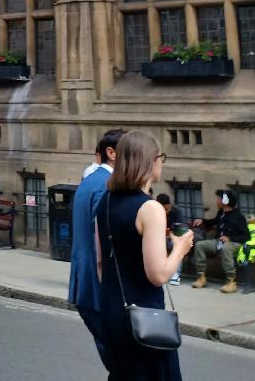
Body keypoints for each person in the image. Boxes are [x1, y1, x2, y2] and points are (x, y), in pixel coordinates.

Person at [97, 130, 194, 381]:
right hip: (145, 318)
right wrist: (181, 248)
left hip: (113, 311)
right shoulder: (150, 208)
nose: (161, 162)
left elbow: (100, 262)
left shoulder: (105, 201)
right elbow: (158, 274)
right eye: (160, 156)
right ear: (149, 161)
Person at [69, 128, 125, 375]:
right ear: (111, 153)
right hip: (99, 289)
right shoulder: (106, 185)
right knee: (124, 366)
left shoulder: (90, 179)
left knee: (117, 364)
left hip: (85, 286)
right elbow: (104, 243)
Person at [190, 189, 250, 294]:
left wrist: (230, 239)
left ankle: (231, 282)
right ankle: (201, 277)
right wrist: (203, 221)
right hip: (218, 242)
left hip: (235, 244)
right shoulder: (221, 213)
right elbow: (213, 222)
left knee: (226, 247)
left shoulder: (238, 216)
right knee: (200, 245)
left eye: (218, 199)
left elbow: (246, 236)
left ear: (225, 201)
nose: (216, 201)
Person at [157, 193, 184, 285]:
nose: (165, 212)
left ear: (169, 205)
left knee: (176, 245)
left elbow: (181, 229)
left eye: (166, 209)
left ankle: (176, 273)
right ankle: (159, 271)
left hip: (176, 237)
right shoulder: (157, 211)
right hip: (162, 237)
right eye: (162, 209)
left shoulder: (177, 211)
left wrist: (171, 233)